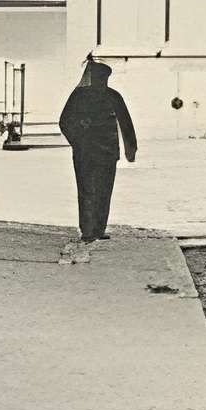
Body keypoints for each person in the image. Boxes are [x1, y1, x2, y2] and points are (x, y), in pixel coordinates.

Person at [56, 59, 137, 261]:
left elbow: (126, 124)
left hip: (106, 153)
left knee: (103, 190)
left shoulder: (112, 96)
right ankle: (88, 230)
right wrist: (78, 141)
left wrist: (131, 149)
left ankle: (98, 229)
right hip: (86, 153)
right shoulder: (78, 96)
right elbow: (65, 122)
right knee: (87, 190)